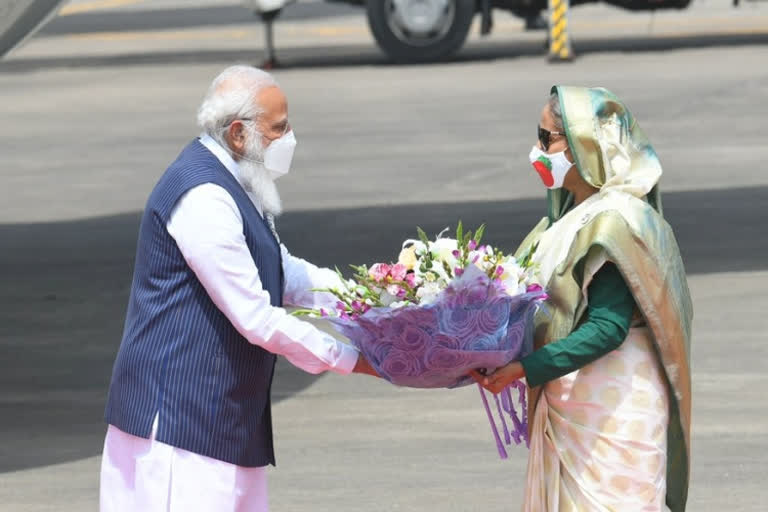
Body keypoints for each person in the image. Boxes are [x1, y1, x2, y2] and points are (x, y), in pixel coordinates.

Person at [100, 65, 377, 512]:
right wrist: (356, 360)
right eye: (279, 129)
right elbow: (257, 317)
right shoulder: (204, 197)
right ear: (237, 134)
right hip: (180, 430)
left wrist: (378, 300)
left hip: (221, 421)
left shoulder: (236, 181)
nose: (289, 140)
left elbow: (284, 272)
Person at [472, 86, 693, 511]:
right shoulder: (565, 219)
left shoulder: (615, 223)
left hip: (614, 410)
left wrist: (525, 367)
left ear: (585, 147)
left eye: (547, 137)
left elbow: (607, 329)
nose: (537, 150)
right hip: (574, 406)